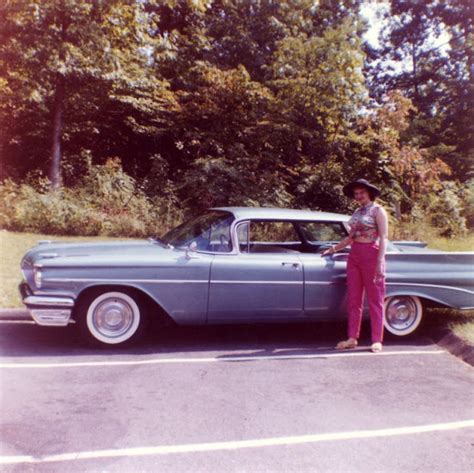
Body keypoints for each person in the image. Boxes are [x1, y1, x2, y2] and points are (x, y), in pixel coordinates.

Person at [321, 178, 389, 353]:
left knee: (375, 299)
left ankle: (376, 339)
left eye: (362, 193)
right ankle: (352, 337)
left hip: (372, 254)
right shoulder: (357, 212)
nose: (359, 196)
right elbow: (351, 237)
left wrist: (380, 261)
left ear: (369, 193)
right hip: (355, 254)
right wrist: (334, 248)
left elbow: (384, 237)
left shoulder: (378, 210)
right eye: (356, 193)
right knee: (354, 299)